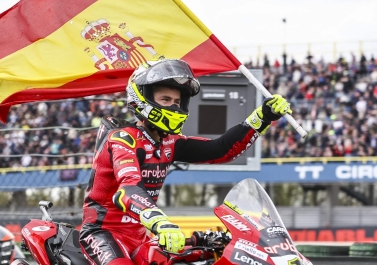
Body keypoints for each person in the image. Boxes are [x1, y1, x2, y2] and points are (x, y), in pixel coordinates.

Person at [79, 59, 292, 264]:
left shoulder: (170, 142)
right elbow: (128, 190)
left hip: (141, 234)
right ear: (143, 99)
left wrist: (262, 117)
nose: (173, 107)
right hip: (102, 233)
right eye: (165, 100)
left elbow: (220, 150)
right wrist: (161, 222)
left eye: (177, 102)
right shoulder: (123, 139)